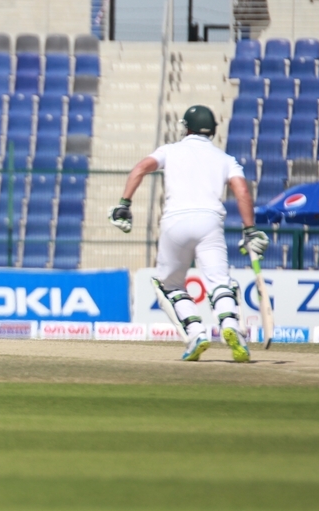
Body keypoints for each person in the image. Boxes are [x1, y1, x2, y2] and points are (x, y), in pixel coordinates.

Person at [108, 105, 268, 362]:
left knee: (168, 284)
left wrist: (124, 205)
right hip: (210, 222)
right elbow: (242, 192)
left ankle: (195, 333)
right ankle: (232, 327)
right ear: (214, 130)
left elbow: (139, 168)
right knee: (220, 282)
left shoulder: (170, 151)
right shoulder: (226, 159)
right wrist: (250, 230)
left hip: (175, 223)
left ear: (186, 128)